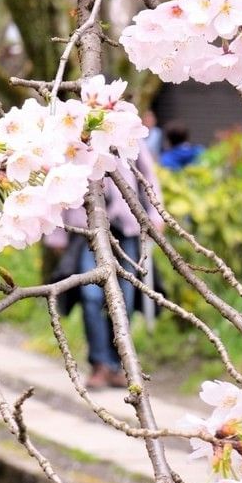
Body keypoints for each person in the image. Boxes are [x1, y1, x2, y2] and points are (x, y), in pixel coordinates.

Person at [41, 143, 162, 391]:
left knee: (124, 299)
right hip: (86, 229)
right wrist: (57, 232)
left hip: (125, 226)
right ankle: (100, 364)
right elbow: (58, 181)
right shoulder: (74, 139)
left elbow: (148, 176)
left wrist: (156, 216)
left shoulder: (127, 137)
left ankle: (117, 365)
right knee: (91, 296)